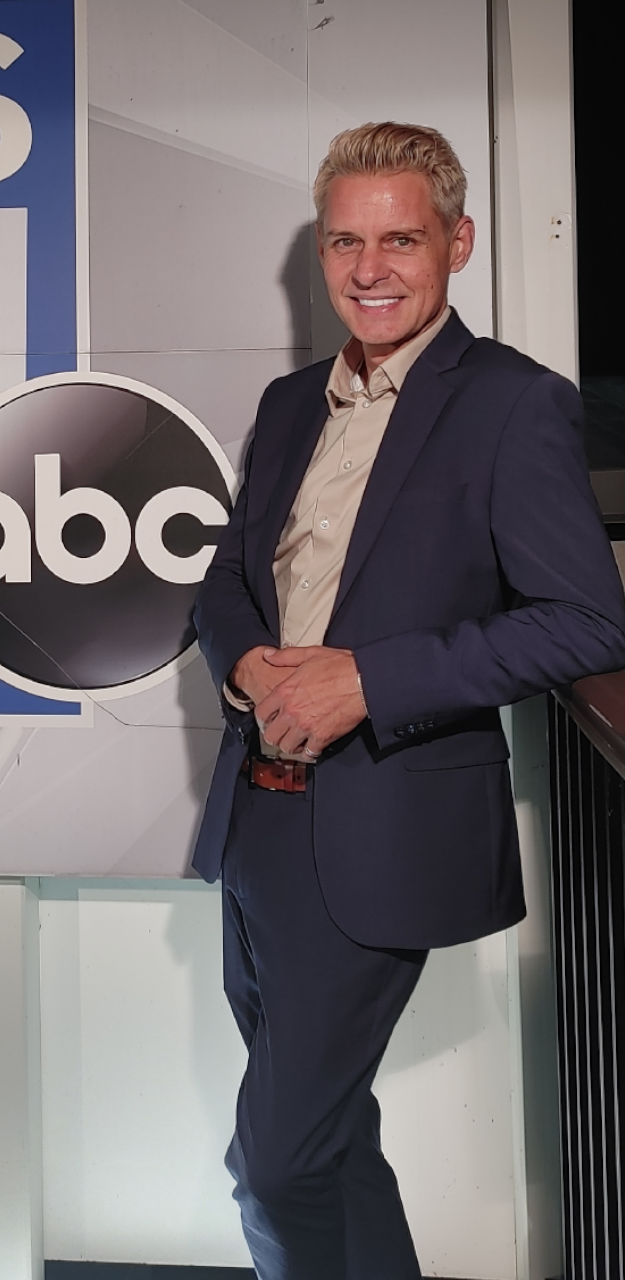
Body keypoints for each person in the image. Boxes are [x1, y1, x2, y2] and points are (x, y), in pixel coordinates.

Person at [192, 121, 625, 1280]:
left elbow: (586, 622)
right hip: (259, 824)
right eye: (345, 241)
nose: (369, 268)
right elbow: (228, 579)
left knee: (276, 1161)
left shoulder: (510, 404)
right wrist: (243, 661)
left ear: (459, 243)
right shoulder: (291, 403)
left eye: (400, 239)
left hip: (379, 826)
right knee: (328, 1141)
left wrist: (367, 680)